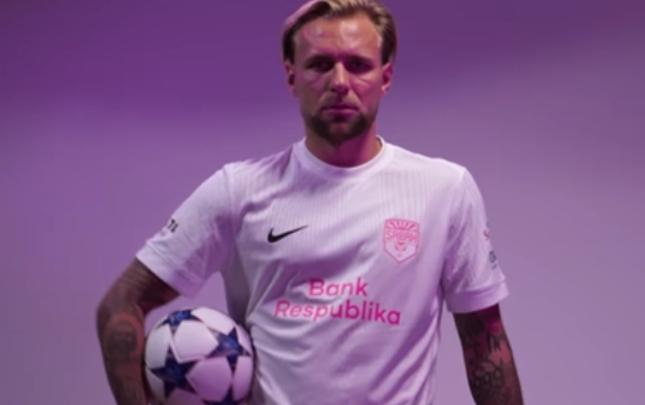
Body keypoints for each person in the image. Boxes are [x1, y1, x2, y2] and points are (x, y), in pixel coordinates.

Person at [96, 0, 524, 404]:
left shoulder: (444, 189)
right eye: (320, 64)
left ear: (385, 77)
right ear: (292, 77)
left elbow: (485, 340)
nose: (340, 82)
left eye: (358, 65)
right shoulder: (238, 190)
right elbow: (122, 304)